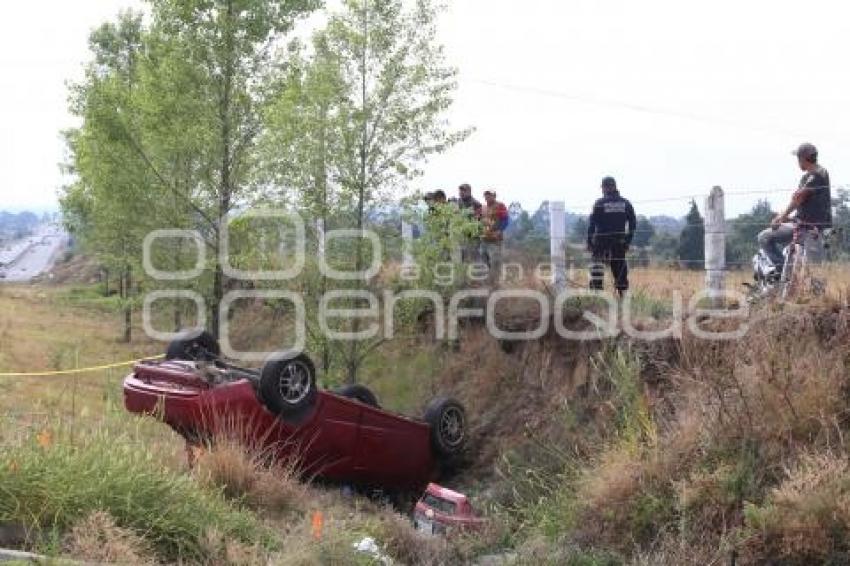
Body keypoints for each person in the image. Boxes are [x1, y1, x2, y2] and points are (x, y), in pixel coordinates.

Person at [757, 143, 831, 276]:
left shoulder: (819, 174)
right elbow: (800, 201)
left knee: (814, 273)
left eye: (798, 158)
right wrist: (788, 217)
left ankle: (791, 277)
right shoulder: (806, 177)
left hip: (813, 229)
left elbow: (799, 198)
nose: (798, 162)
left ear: (804, 158)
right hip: (798, 224)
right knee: (764, 237)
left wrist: (781, 217)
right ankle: (783, 272)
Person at [587, 176, 636, 297]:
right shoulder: (626, 203)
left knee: (597, 270)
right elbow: (633, 223)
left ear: (604, 188)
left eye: (603, 188)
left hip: (601, 242)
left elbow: (592, 224)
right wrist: (627, 241)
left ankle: (596, 296)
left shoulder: (599, 203)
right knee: (620, 270)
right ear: (614, 187)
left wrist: (590, 242)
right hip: (619, 242)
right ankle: (623, 297)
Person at [481, 190, 509, 281]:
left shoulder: (500, 205)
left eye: (489, 195)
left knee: (496, 261)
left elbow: (505, 220)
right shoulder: (483, 207)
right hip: (484, 239)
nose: (487, 197)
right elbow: (479, 220)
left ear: (494, 196)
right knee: (484, 260)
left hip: (495, 240)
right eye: (486, 195)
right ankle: (489, 280)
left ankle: (496, 283)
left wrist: (500, 230)